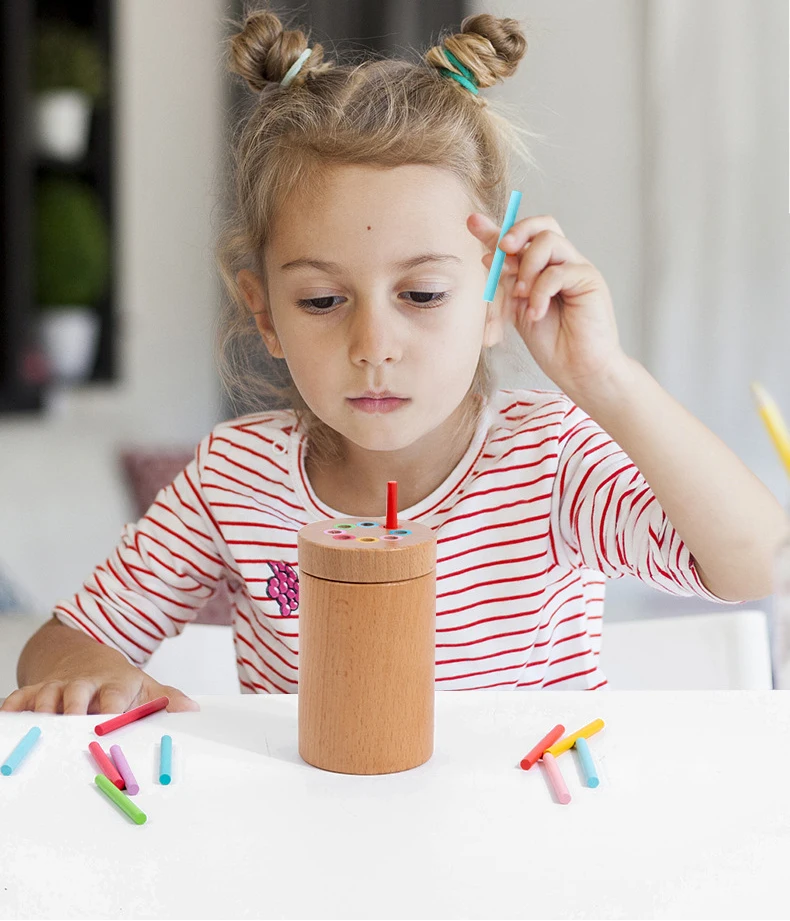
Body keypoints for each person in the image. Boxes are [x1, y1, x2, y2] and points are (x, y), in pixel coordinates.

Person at [4, 9, 785, 715]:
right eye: (321, 301)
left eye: (420, 294)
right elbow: (60, 642)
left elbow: (754, 566)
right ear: (263, 312)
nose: (373, 343)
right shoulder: (234, 479)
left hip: (524, 851)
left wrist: (606, 377)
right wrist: (102, 678)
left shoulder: (550, 460)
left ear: (491, 299)